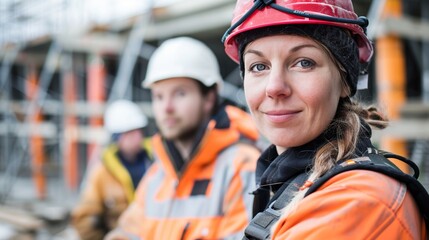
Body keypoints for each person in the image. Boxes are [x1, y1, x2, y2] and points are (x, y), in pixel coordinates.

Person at [222, 0, 428, 239]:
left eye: (303, 63)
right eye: (258, 66)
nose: (275, 87)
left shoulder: (357, 201)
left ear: (344, 80)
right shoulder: (298, 181)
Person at [106, 36, 261, 240]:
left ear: (209, 98)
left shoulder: (241, 167)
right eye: (158, 96)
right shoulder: (156, 175)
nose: (166, 108)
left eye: (180, 94)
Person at [71, 99, 152, 240]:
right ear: (118, 137)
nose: (138, 137)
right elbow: (85, 218)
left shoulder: (156, 162)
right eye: (131, 133)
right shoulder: (103, 172)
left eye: (139, 131)